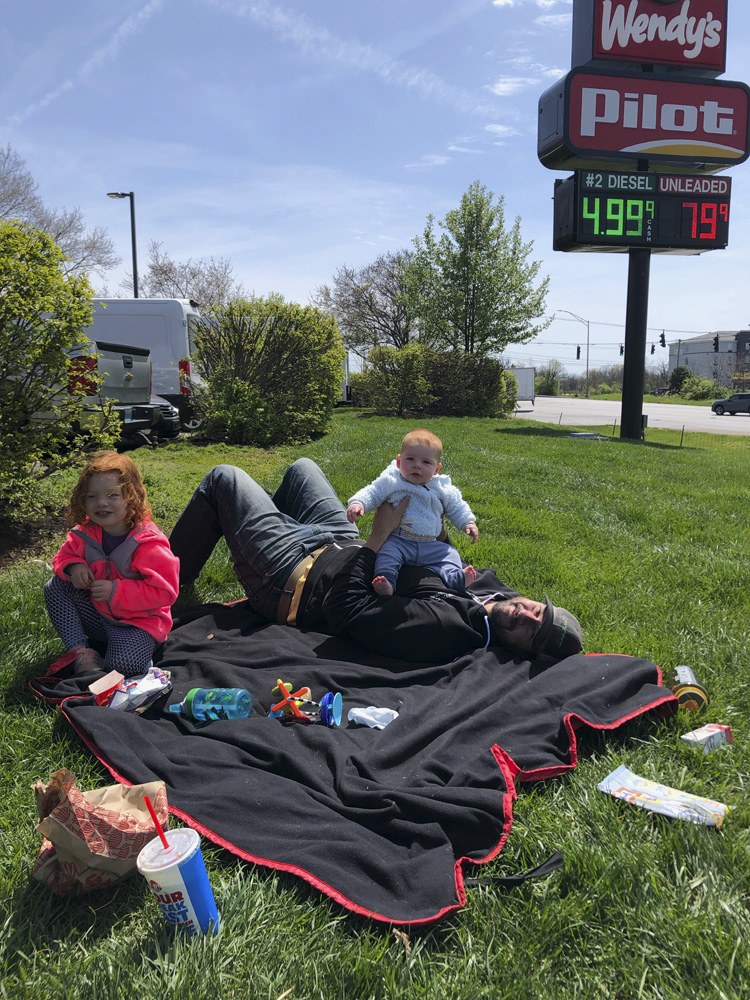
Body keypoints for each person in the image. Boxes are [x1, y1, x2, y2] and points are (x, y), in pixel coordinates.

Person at [169, 459, 582, 664]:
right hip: (341, 542)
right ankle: (265, 528)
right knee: (302, 469)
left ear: (521, 651)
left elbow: (347, 609)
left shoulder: (447, 629)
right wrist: (437, 528)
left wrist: (379, 537)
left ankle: (162, 581)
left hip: (293, 579)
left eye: (532, 632)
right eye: (538, 611)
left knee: (224, 478)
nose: (527, 616)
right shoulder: (489, 598)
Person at [45, 451, 180, 677]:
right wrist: (74, 567)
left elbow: (165, 592)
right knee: (56, 586)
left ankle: (140, 655)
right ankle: (81, 652)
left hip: (138, 624)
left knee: (123, 668)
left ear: (131, 497)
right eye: (92, 496)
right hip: (99, 616)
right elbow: (62, 557)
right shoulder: (86, 533)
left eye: (112, 495)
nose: (101, 503)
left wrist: (116, 591)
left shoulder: (147, 543)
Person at [346, 428, 478, 597]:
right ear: (399, 461)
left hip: (429, 544)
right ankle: (387, 582)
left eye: (426, 462)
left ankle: (456, 578)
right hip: (399, 540)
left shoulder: (442, 487)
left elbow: (457, 506)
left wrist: (467, 522)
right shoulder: (392, 481)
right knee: (386, 555)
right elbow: (372, 492)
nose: (417, 465)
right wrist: (358, 503)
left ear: (436, 469)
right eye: (410, 459)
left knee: (450, 554)